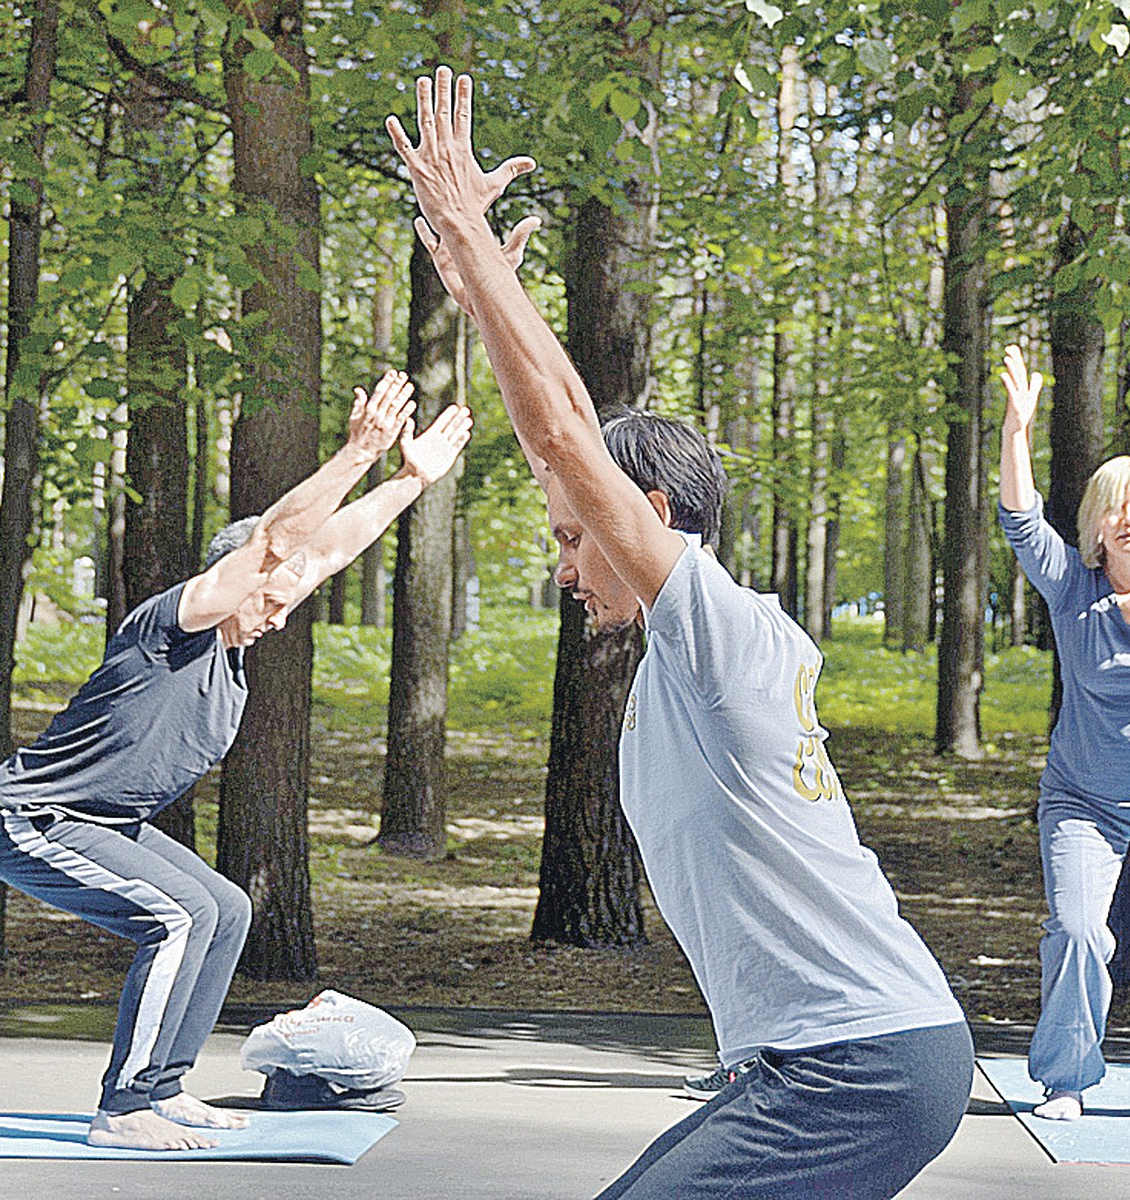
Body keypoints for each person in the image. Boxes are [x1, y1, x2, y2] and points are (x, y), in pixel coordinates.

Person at [386, 65, 973, 1199]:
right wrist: (486, 304)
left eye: (575, 539)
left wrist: (464, 221)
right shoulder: (705, 642)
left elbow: (566, 443)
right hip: (830, 1064)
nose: (564, 564)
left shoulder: (714, 628)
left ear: (652, 518)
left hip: (852, 1068)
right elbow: (563, 431)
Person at [0, 370, 471, 1151]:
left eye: (288, 600)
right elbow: (277, 544)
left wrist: (410, 481)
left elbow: (317, 555)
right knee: (177, 917)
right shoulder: (176, 624)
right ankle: (122, 1107)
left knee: (225, 908)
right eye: (268, 596)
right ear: (232, 583)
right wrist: (358, 454)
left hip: (100, 820)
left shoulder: (239, 650)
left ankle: (164, 1086)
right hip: (34, 818)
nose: (280, 613)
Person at [999, 343, 1130, 1121]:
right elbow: (1019, 519)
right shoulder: (1072, 587)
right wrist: (1018, 428)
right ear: (1097, 526)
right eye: (1117, 504)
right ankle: (1068, 1079)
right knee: (1080, 931)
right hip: (1084, 800)